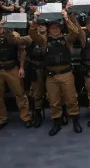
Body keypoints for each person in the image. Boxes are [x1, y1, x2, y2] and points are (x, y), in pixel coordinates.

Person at [30, 7, 83, 136]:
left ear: (60, 28)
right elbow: (33, 34)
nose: (55, 30)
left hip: (66, 74)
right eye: (52, 28)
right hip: (51, 76)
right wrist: (35, 19)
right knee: (54, 101)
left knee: (71, 99)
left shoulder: (67, 39)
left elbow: (75, 32)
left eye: (57, 27)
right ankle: (56, 123)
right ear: (49, 29)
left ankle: (75, 120)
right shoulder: (44, 40)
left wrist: (66, 18)